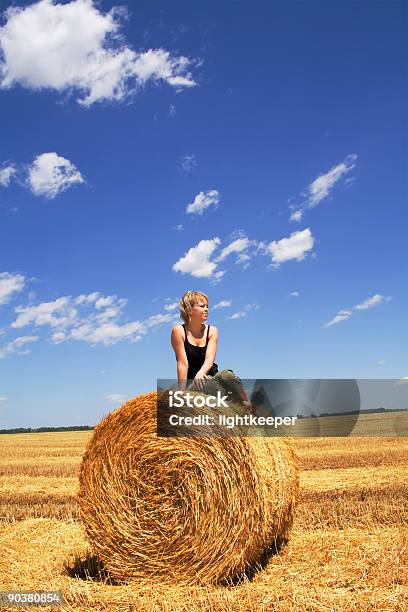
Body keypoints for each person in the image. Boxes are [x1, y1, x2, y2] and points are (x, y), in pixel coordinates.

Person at [170, 291, 250, 406]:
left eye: (207, 306)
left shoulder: (212, 331)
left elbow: (209, 360)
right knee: (207, 384)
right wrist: (182, 393)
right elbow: (183, 363)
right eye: (202, 306)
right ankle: (232, 404)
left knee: (227, 375)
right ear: (189, 309)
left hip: (211, 375)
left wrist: (201, 372)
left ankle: (246, 404)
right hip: (194, 383)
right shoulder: (178, 331)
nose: (207, 309)